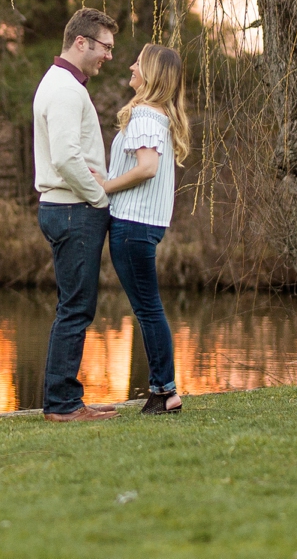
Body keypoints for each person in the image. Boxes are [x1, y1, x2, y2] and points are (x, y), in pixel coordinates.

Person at [33, 7, 120, 422]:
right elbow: (67, 158)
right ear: (81, 42)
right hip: (74, 210)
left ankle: (65, 399)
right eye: (105, 46)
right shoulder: (66, 89)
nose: (109, 55)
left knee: (73, 306)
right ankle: (63, 404)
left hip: (64, 208)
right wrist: (99, 199)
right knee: (75, 309)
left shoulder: (60, 84)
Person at [95, 42, 190, 415]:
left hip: (133, 225)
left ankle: (165, 391)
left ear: (150, 74)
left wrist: (105, 186)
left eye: (138, 62)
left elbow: (147, 167)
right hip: (141, 225)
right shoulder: (157, 116)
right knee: (148, 308)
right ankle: (161, 390)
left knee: (148, 310)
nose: (131, 66)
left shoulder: (146, 116)